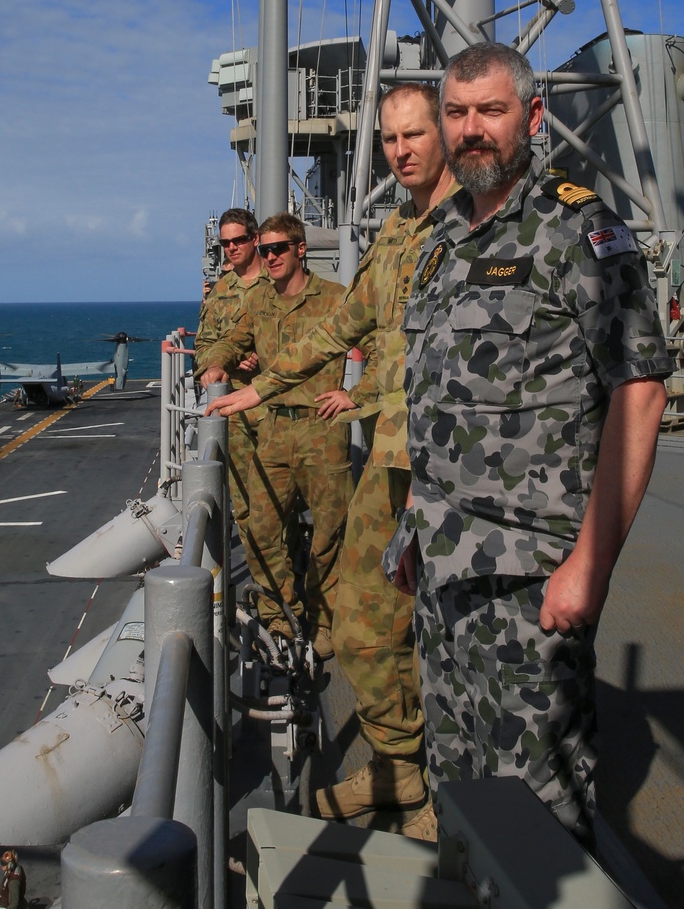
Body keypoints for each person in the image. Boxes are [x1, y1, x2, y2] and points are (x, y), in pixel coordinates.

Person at [385, 43, 671, 844]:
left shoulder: (579, 229)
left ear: (532, 119)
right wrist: (415, 523)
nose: (471, 130)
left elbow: (639, 391)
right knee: (462, 795)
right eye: (458, 113)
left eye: (491, 112)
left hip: (529, 581)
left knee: (541, 818)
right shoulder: (440, 241)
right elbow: (434, 395)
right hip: (445, 576)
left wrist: (591, 563)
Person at [213, 85, 456, 838]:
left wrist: (354, 401)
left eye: (414, 133)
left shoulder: (477, 230)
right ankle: (400, 771)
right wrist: (261, 388)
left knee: (453, 634)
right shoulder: (394, 230)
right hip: (391, 461)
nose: (401, 149)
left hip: (456, 466)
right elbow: (346, 324)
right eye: (389, 138)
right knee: (358, 624)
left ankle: (447, 799)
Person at [202, 213, 363, 657]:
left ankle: (324, 620)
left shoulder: (335, 299)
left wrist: (358, 393)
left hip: (321, 431)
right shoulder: (259, 304)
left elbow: (385, 347)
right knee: (260, 531)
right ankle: (281, 617)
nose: (269, 257)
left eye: (278, 249)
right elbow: (232, 341)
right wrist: (215, 364)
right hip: (271, 430)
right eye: (266, 250)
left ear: (300, 250)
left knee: (331, 534)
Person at [194, 209, 267, 571]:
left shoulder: (278, 281)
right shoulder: (220, 292)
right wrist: (218, 365)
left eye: (239, 240)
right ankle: (267, 589)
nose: (232, 248)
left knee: (286, 502)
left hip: (279, 407)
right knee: (248, 507)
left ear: (255, 238)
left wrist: (264, 357)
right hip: (237, 416)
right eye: (226, 243)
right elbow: (204, 346)